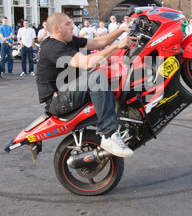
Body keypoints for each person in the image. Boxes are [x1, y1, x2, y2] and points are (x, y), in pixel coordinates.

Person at [36, 13, 134, 158]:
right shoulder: (53, 47)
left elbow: (99, 42)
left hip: (68, 92)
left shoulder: (69, 40)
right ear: (56, 29)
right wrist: (117, 45)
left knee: (107, 69)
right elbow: (87, 63)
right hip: (56, 100)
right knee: (96, 77)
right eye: (68, 24)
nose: (72, 27)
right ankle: (108, 134)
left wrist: (122, 30)